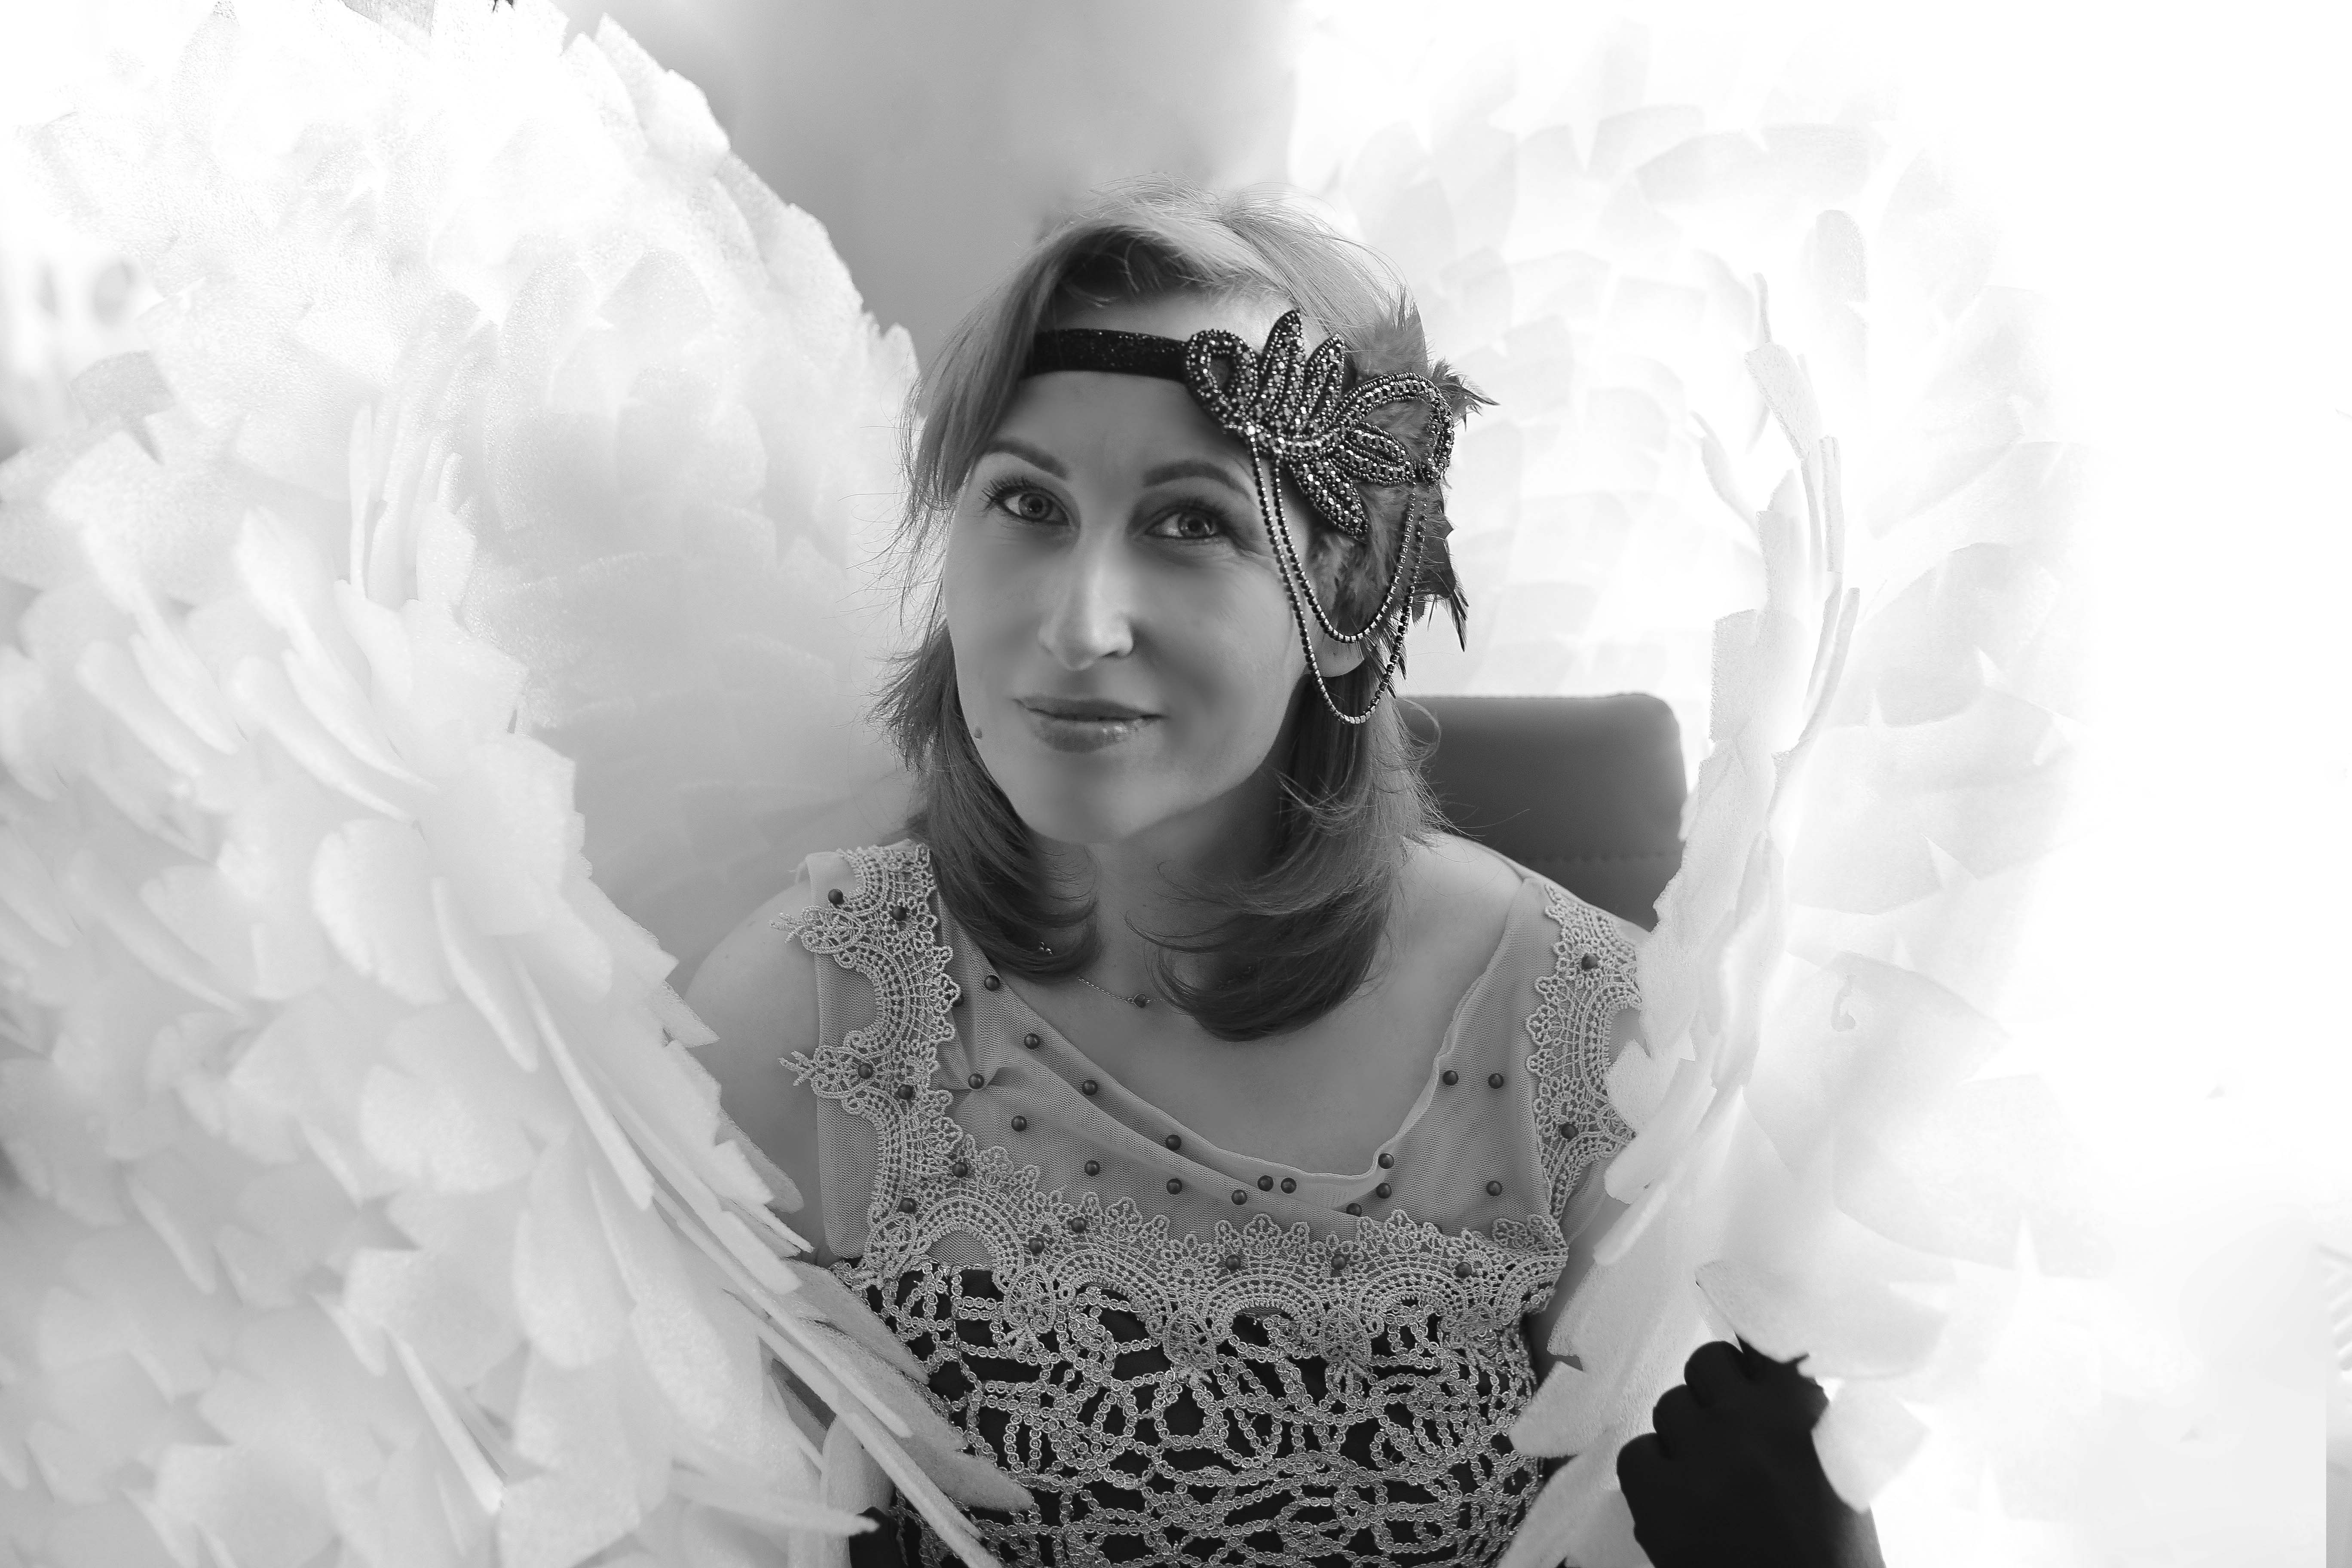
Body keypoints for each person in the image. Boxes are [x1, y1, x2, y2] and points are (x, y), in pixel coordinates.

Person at [685, 178, 1873, 1568]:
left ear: (1352, 604)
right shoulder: (805, 1019)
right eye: (1026, 501)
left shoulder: (1598, 1051)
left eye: (1191, 522)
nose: (1078, 625)